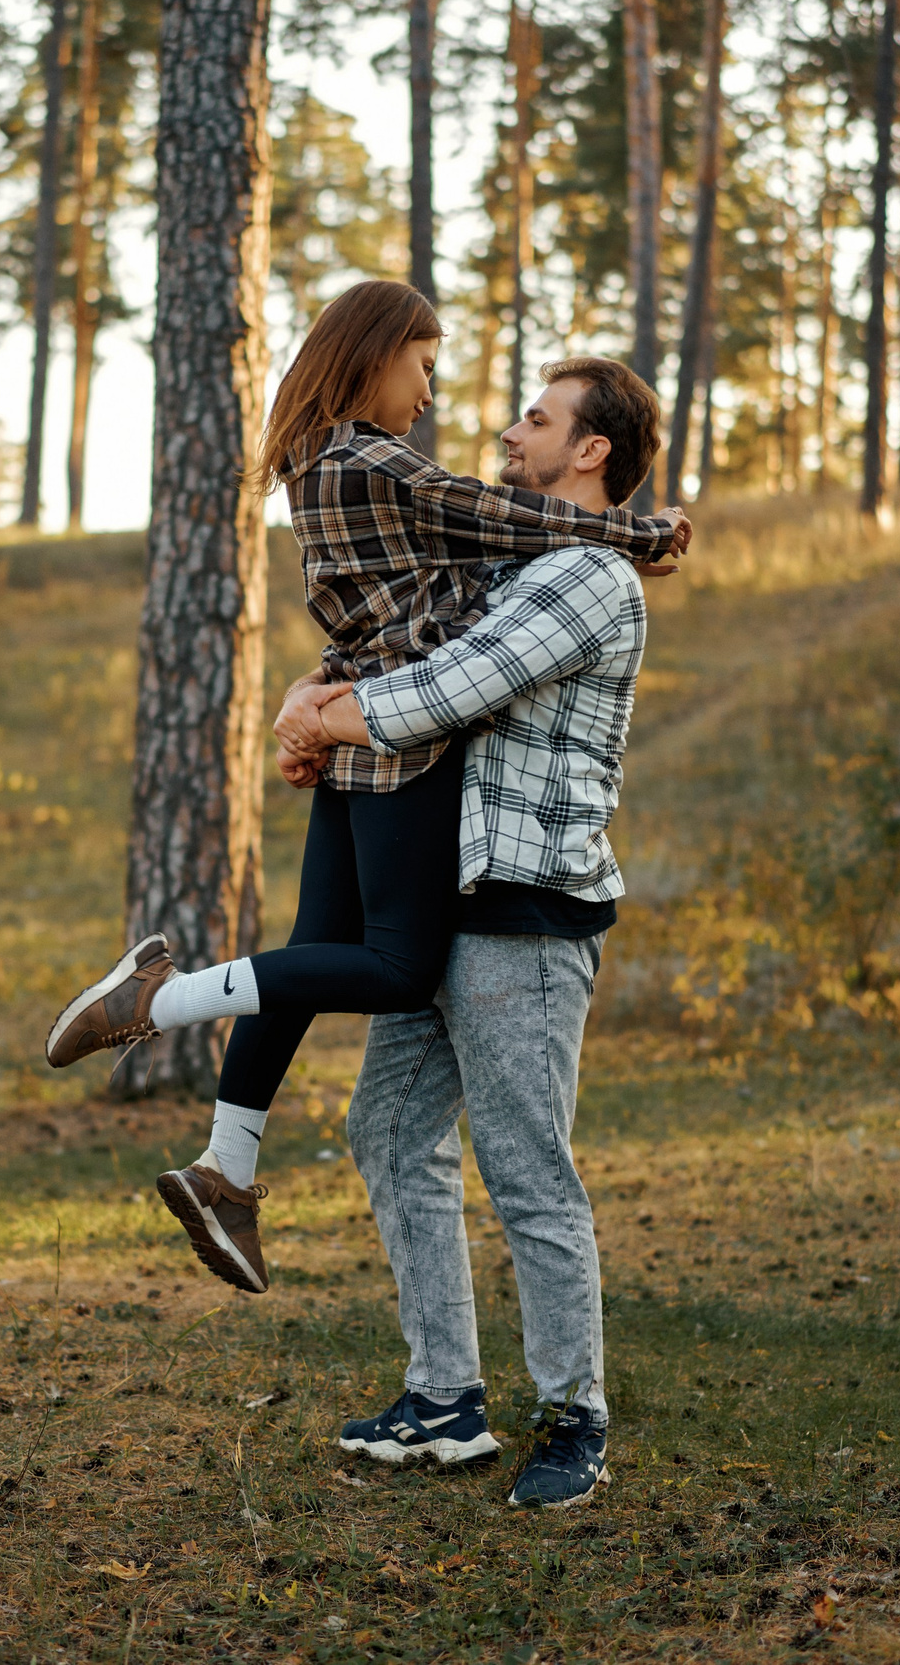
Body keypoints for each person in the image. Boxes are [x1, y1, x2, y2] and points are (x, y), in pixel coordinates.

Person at [42, 282, 686, 1300]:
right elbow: (488, 515)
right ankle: (159, 1001)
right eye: (422, 364)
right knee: (390, 969)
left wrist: (309, 707)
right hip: (396, 741)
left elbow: (464, 556)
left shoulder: (316, 465)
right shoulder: (367, 456)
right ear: (377, 354)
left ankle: (227, 1169)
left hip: (354, 719)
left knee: (310, 955)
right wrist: (639, 538)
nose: (432, 393)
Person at [274, 356, 663, 1510]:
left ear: (589, 453)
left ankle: (573, 1415)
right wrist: (321, 693)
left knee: (525, 1167)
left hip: (525, 909)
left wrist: (323, 718)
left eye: (535, 419)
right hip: (443, 902)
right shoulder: (515, 558)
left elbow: (453, 685)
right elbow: (398, 636)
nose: (505, 429)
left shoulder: (589, 576)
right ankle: (443, 1397)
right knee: (390, 1131)